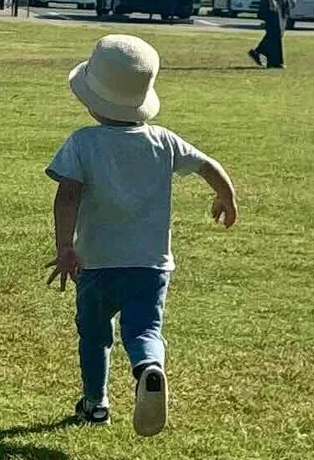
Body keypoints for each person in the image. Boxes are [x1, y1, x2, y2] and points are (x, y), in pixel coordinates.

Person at [45, 35, 237, 437]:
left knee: (95, 335)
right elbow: (207, 164)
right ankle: (149, 368)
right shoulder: (163, 140)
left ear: (92, 100)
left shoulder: (83, 142)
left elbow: (67, 198)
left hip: (96, 263)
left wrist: (65, 248)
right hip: (151, 265)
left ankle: (95, 403)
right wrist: (225, 195)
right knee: (145, 330)